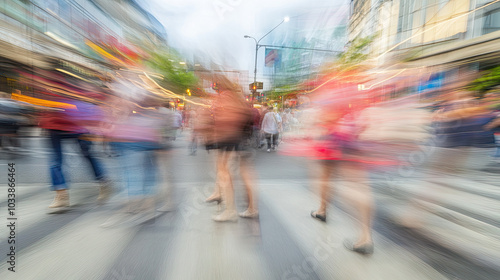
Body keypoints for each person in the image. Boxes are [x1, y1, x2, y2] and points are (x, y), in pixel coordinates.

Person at [38, 99, 112, 210]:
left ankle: (103, 182)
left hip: (77, 122)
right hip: (55, 124)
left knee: (87, 155)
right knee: (55, 160)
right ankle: (61, 196)